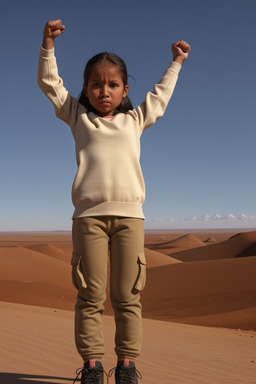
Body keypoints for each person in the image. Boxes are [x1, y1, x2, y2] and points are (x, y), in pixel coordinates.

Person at [38, 19, 190, 384]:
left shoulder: (136, 120)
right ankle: (92, 366)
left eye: (112, 84)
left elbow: (160, 96)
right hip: (88, 219)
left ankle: (126, 366)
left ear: (124, 89)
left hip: (130, 219)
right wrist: (48, 46)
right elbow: (50, 84)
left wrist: (176, 62)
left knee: (127, 295)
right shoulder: (78, 117)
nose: (104, 90)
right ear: (86, 89)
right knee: (90, 295)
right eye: (95, 84)